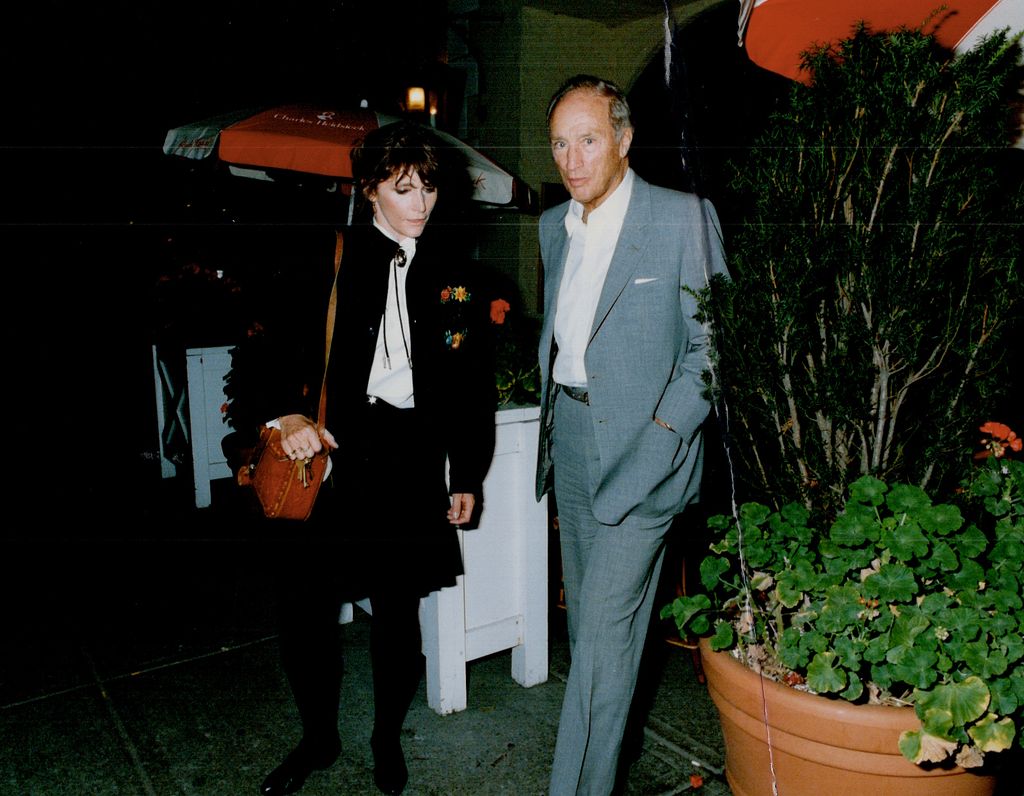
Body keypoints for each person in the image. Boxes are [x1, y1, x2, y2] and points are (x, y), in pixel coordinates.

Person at [256, 121, 496, 796]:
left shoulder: (455, 270)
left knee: (398, 615)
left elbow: (471, 382)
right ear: (369, 190)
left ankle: (386, 737)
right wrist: (289, 411)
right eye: (403, 189)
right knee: (304, 613)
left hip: (411, 464)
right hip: (334, 458)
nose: (420, 205)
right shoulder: (327, 255)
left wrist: (467, 473)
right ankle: (319, 738)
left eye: (429, 188)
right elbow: (267, 347)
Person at [534, 75, 728, 795]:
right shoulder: (553, 227)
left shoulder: (682, 218)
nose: (572, 160)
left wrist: (659, 439)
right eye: (559, 144)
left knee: (602, 648)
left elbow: (714, 349)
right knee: (594, 637)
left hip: (646, 454)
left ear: (622, 138)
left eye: (587, 140)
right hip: (575, 449)